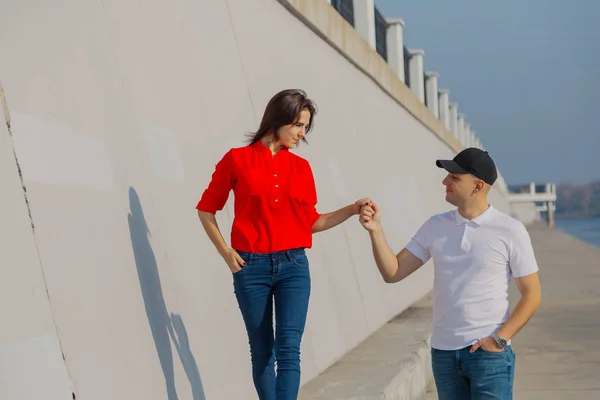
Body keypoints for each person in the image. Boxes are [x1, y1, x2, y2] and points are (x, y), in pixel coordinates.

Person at [196, 89, 369, 400]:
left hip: (293, 266)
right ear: (277, 120)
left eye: (305, 127)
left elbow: (312, 223)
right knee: (262, 348)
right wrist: (225, 252)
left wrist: (351, 209)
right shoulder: (237, 160)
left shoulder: (301, 168)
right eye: (298, 125)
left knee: (289, 347)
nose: (302, 134)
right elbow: (206, 209)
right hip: (250, 266)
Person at [358, 147, 541, 400]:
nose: (445, 181)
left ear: (478, 185)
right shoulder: (435, 226)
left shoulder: (510, 230)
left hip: (489, 357)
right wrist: (375, 231)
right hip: (444, 355)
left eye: (454, 177)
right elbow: (394, 272)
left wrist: (499, 340)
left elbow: (532, 295)